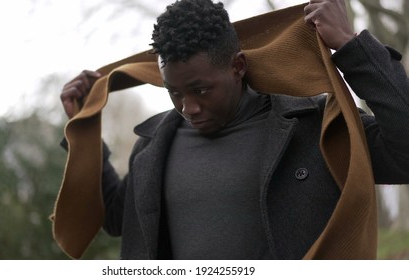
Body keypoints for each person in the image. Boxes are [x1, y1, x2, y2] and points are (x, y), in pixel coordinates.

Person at [59, 0, 409, 259]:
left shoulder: (315, 126)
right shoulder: (152, 146)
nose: (188, 107)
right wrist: (84, 133)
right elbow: (118, 219)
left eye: (201, 89)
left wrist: (353, 48)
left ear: (237, 66)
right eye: (175, 92)